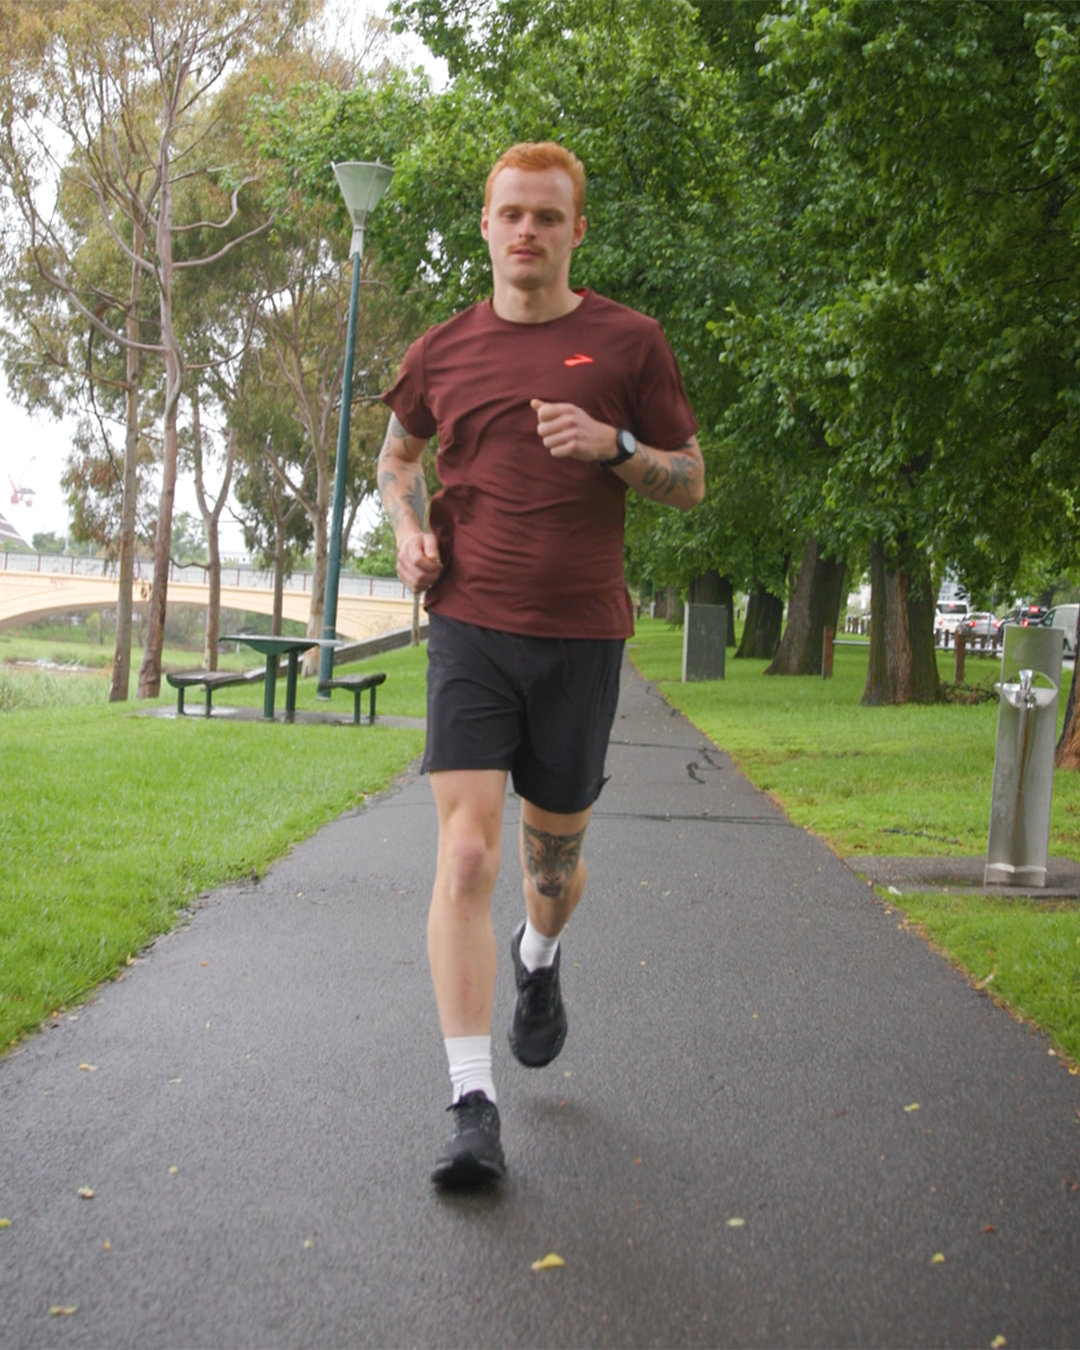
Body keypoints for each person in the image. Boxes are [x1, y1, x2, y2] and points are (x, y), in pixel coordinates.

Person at [378, 141, 704, 1187]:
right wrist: (405, 534)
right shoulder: (442, 351)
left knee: (548, 871)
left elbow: (691, 479)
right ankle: (472, 1105)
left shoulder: (629, 343)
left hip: (582, 636)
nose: (527, 230)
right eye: (511, 213)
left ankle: (539, 956)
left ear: (575, 231)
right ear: (483, 224)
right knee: (466, 856)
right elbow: (397, 459)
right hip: (471, 625)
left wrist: (613, 447)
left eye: (548, 217)